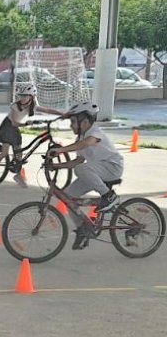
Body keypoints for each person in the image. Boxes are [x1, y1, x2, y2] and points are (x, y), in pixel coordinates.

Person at [47, 102, 124, 250]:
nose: (71, 125)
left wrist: (61, 150)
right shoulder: (81, 137)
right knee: (68, 196)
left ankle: (109, 196)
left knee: (81, 169)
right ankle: (84, 228)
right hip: (96, 171)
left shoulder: (94, 132)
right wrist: (56, 166)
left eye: (73, 121)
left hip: (112, 168)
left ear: (85, 122)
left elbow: (87, 143)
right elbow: (78, 160)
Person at [0, 85, 62, 188]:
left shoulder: (32, 106)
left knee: (19, 154)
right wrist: (28, 123)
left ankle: (18, 175)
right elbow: (14, 123)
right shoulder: (15, 106)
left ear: (31, 97)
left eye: (25, 96)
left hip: (15, 130)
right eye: (21, 96)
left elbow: (47, 110)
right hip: (7, 128)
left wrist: (63, 114)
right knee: (4, 152)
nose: (22, 98)